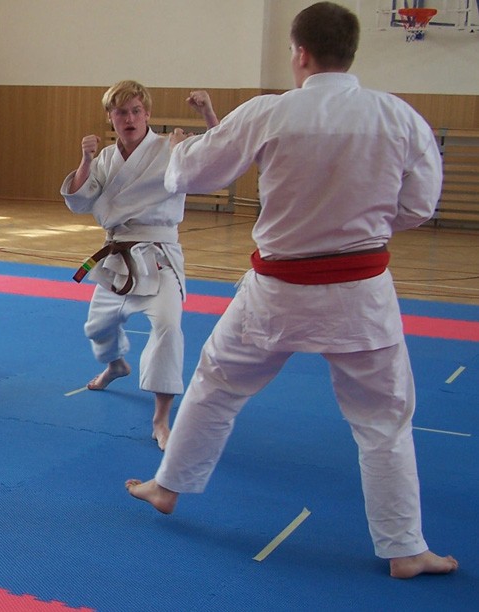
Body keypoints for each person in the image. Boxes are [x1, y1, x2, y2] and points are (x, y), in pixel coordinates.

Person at [126, 2, 458, 580]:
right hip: (362, 295)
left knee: (216, 384)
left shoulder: (271, 112)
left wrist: (178, 152)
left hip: (276, 293)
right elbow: (419, 205)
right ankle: (405, 548)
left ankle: (168, 485)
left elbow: (194, 174)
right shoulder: (398, 117)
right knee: (384, 421)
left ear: (300, 53)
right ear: (350, 52)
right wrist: (366, 226)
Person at [61, 80, 218, 451]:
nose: (129, 118)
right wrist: (85, 160)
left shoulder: (170, 146)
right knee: (97, 327)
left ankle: (161, 419)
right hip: (117, 253)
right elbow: (80, 201)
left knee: (168, 327)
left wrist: (208, 113)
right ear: (110, 117)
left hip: (159, 254)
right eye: (121, 112)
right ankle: (116, 364)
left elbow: (219, 152)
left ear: (147, 114)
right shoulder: (104, 158)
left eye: (136, 111)